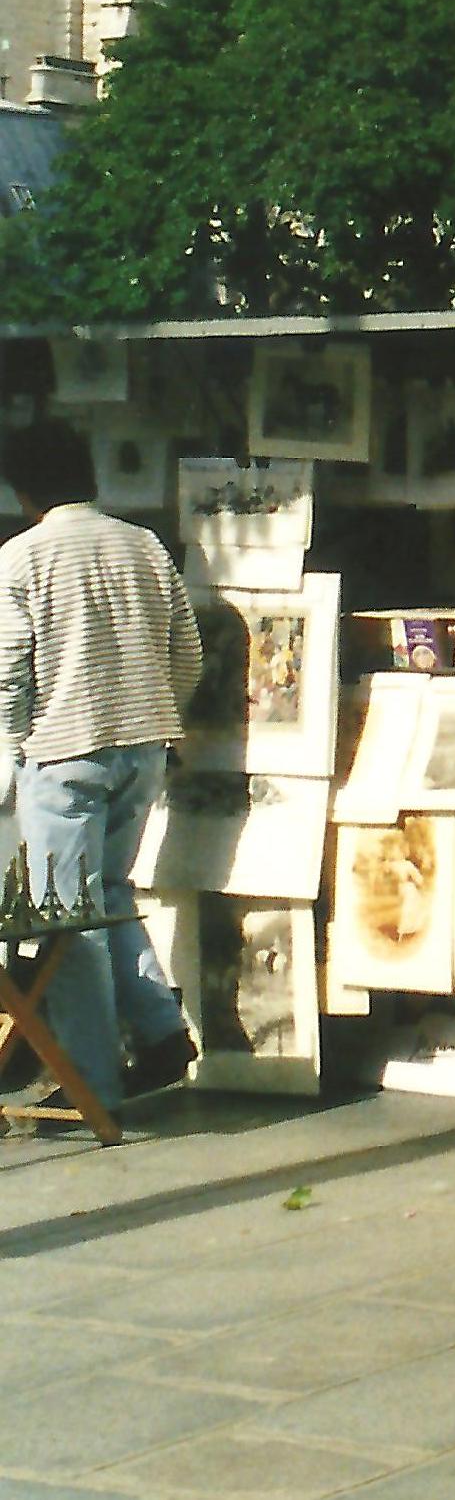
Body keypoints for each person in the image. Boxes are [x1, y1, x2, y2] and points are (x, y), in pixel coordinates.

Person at [0, 420, 202, 1116]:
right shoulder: (143, 544)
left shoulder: (21, 558)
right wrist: (159, 716)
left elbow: (6, 673)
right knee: (110, 895)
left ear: (24, 489)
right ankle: (161, 1029)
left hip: (63, 752)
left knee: (66, 924)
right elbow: (189, 654)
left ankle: (90, 1081)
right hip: (143, 749)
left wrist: (14, 749)